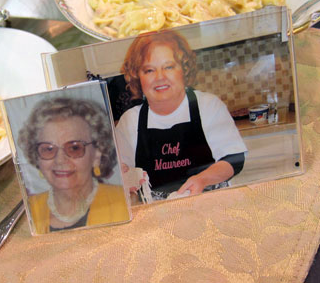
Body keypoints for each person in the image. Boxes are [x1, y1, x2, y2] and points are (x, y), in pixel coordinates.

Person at [115, 30, 246, 201]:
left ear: (183, 69)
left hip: (211, 205)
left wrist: (201, 179)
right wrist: (125, 182)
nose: (160, 77)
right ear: (137, 76)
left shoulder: (208, 105)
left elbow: (234, 159)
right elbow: (122, 173)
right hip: (159, 216)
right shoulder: (130, 121)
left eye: (168, 67)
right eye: (149, 70)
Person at [18, 97, 130, 234]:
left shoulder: (124, 202)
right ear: (36, 157)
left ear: (97, 155)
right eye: (48, 149)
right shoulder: (28, 213)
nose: (60, 160)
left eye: (74, 148)